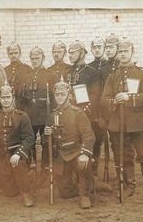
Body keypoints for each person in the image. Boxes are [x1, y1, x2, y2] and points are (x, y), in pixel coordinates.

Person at [101, 37, 143, 204]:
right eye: (120, 51)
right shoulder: (113, 76)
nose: (122, 54)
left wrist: (129, 97)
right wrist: (114, 100)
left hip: (139, 124)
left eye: (126, 51)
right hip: (118, 125)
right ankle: (129, 187)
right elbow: (104, 99)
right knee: (124, 157)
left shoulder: (141, 73)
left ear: (132, 53)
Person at [43, 79, 96, 209]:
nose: (60, 97)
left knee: (84, 163)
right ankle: (88, 186)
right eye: (57, 95)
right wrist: (47, 134)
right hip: (61, 155)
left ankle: (85, 194)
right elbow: (47, 141)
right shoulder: (52, 115)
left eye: (62, 94)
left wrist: (84, 153)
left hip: (76, 151)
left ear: (69, 95)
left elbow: (88, 135)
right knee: (65, 193)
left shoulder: (78, 113)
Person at [67, 41, 111, 192]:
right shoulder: (69, 71)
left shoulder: (92, 72)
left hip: (88, 116)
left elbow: (95, 96)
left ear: (81, 53)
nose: (70, 55)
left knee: (91, 148)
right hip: (71, 117)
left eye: (73, 52)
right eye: (69, 52)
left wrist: (83, 112)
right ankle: (77, 181)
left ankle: (92, 180)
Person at [0, 82, 36, 207]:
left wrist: (19, 154)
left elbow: (29, 138)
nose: (6, 100)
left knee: (18, 165)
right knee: (9, 192)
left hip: (18, 155)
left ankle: (26, 193)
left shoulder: (22, 116)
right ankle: (22, 182)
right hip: (3, 156)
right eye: (3, 98)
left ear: (13, 99)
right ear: (0, 99)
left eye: (8, 97)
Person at [18, 46, 56, 168]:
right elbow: (21, 97)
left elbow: (55, 97)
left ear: (43, 58)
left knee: (46, 141)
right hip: (30, 114)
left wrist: (53, 115)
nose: (34, 61)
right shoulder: (26, 76)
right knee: (29, 141)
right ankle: (30, 166)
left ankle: (45, 167)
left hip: (45, 113)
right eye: (32, 58)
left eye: (37, 58)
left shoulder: (50, 75)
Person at [4, 42, 32, 106]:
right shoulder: (5, 70)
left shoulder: (27, 69)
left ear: (20, 54)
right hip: (8, 103)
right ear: (8, 55)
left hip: (24, 103)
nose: (13, 55)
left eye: (16, 53)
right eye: (11, 53)